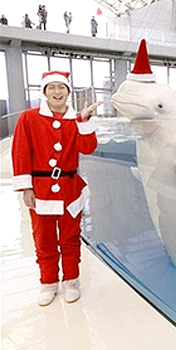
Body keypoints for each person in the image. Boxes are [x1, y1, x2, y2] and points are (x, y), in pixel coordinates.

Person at [11, 71, 102, 306]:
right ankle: (48, 282)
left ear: (68, 92)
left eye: (61, 88)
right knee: (43, 239)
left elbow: (88, 148)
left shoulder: (75, 120)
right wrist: (26, 188)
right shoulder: (28, 118)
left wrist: (84, 120)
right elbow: (20, 153)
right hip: (40, 188)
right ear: (44, 91)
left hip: (69, 188)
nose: (57, 92)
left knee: (70, 238)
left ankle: (71, 281)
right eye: (51, 87)